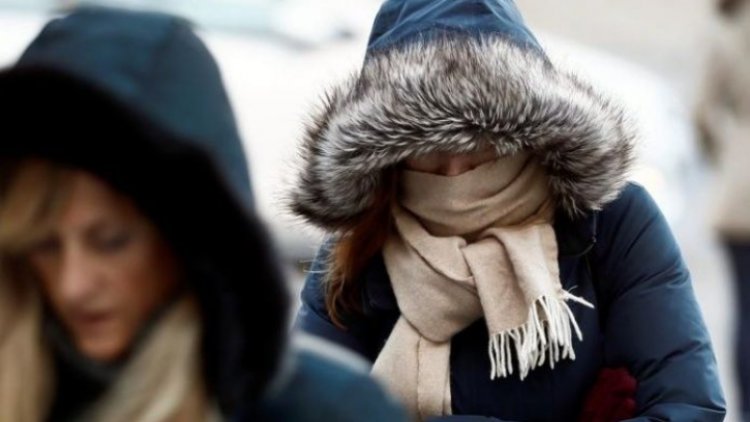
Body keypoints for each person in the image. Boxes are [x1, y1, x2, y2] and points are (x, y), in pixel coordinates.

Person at [290, 0, 727, 421]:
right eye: (426, 147)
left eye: (482, 143)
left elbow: (688, 407)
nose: (456, 170)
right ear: (388, 156)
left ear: (527, 132)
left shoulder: (609, 221)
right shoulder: (362, 243)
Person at [0, 6, 406, 421]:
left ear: (189, 236)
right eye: (45, 245)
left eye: (110, 242)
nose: (74, 285)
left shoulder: (322, 412)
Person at [696, 1, 750, 420]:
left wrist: (731, 156)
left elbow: (703, 111)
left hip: (741, 193)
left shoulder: (728, 23)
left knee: (745, 314)